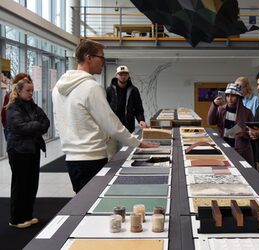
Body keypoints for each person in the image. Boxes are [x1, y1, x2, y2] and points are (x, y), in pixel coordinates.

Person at [52, 39, 159, 193]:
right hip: (92, 157)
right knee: (92, 202)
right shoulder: (92, 87)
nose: (103, 62)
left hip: (71, 159)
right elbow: (112, 125)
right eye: (101, 57)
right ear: (89, 57)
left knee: (82, 200)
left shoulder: (58, 88)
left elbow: (59, 123)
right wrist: (138, 144)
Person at [6, 78, 50, 228]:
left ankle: (27, 215)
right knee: (20, 184)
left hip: (32, 149)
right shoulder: (13, 108)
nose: (31, 93)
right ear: (19, 91)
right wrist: (36, 125)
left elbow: (46, 122)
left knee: (32, 184)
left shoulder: (33, 106)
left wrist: (34, 126)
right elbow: (20, 127)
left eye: (32, 90)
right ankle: (16, 219)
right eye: (28, 91)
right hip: (18, 150)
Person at [208, 83, 254, 165]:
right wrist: (214, 105)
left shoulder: (247, 112)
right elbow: (211, 122)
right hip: (223, 146)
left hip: (241, 149)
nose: (230, 98)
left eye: (233, 95)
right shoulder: (221, 109)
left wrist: (244, 133)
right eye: (227, 95)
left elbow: (251, 132)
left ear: (238, 97)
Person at [106, 65, 147, 133]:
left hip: (128, 127)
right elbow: (105, 108)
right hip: (113, 127)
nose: (123, 76)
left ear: (128, 76)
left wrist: (141, 120)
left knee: (127, 144)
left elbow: (138, 108)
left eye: (125, 74)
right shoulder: (109, 90)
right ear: (116, 75)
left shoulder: (134, 90)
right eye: (121, 74)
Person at [1, 73, 32, 141]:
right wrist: (7, 128)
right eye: (23, 81)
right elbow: (4, 114)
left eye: (27, 81)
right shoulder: (9, 96)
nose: (25, 83)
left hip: (26, 131)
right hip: (12, 132)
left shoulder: (29, 97)